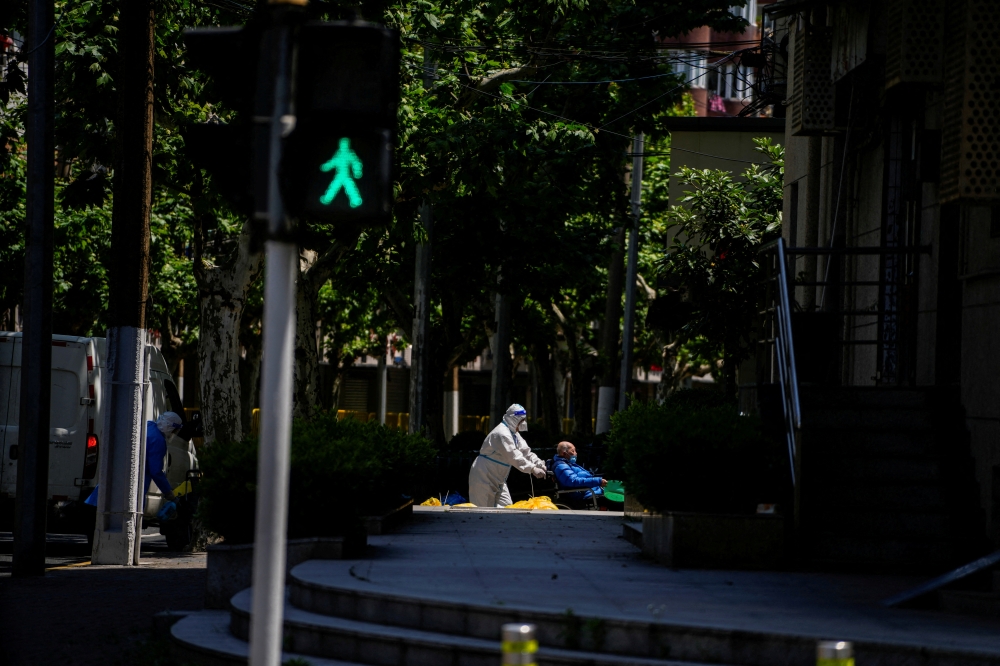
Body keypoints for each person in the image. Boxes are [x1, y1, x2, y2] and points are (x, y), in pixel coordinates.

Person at [84, 411, 182, 508]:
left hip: (111, 480)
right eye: (174, 430)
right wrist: (168, 492)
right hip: (130, 488)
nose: (173, 434)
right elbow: (155, 471)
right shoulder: (158, 441)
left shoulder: (148, 426)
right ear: (169, 427)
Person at [468, 404, 547, 507]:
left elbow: (525, 451)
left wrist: (538, 462)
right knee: (483, 513)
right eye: (521, 420)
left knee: (507, 508)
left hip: (499, 479)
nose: (523, 423)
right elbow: (514, 456)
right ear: (514, 419)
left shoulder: (513, 434)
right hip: (484, 477)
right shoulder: (502, 433)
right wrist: (532, 468)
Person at [552, 441, 606, 506]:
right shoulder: (561, 466)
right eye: (573, 451)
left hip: (590, 491)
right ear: (564, 453)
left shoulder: (569, 464)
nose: (576, 453)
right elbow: (573, 481)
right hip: (583, 494)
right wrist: (598, 481)